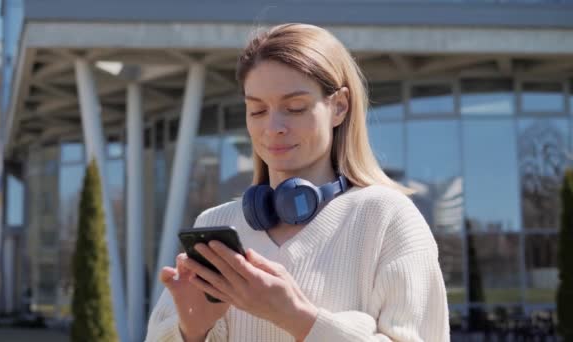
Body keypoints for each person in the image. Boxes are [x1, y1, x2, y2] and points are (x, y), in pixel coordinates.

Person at [146, 23, 449, 342]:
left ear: (340, 106)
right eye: (257, 110)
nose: (273, 127)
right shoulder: (217, 223)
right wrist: (193, 330)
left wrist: (296, 317)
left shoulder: (387, 218)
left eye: (295, 108)